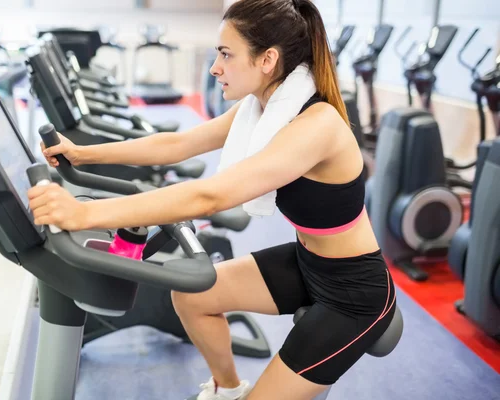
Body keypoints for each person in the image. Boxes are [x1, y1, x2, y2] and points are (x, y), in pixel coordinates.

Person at [27, 0, 397, 399]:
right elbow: (179, 143)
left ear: (267, 59)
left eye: (225, 54)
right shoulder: (262, 109)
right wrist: (86, 153)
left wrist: (84, 213)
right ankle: (228, 389)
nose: (214, 67)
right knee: (192, 294)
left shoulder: (316, 125)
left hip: (354, 295)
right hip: (309, 265)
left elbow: (211, 195)